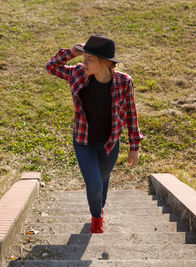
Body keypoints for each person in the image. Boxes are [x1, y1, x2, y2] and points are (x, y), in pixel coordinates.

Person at [45, 34, 144, 233]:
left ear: (104, 63)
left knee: (102, 181)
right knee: (95, 184)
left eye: (89, 59)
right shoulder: (78, 74)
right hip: (83, 142)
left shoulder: (124, 82)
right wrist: (70, 52)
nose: (84, 63)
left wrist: (135, 146)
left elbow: (132, 115)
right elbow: (51, 67)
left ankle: (99, 208)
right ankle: (96, 217)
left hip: (110, 143)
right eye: (84, 58)